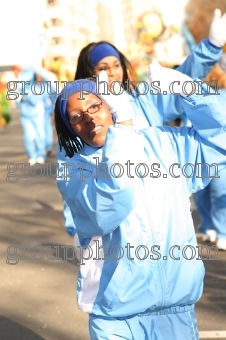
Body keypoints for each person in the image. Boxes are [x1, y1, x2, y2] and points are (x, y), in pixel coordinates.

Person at [54, 63, 226, 339]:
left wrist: (187, 88)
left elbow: (220, 139)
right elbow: (109, 207)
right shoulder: (74, 170)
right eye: (76, 116)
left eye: (95, 106)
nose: (88, 118)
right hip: (117, 319)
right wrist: (123, 129)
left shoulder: (164, 143)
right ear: (70, 128)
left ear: (110, 104)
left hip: (176, 313)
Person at [58, 8, 226, 237]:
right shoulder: (80, 122)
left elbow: (184, 78)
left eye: (116, 65)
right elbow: (74, 187)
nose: (113, 73)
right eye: (103, 68)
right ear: (89, 74)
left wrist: (212, 47)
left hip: (163, 214)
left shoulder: (143, 101)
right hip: (118, 230)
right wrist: (78, 232)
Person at [193, 61, 226, 250]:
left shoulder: (198, 96)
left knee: (201, 193)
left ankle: (208, 227)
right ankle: (222, 233)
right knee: (220, 194)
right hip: (221, 152)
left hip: (199, 151)